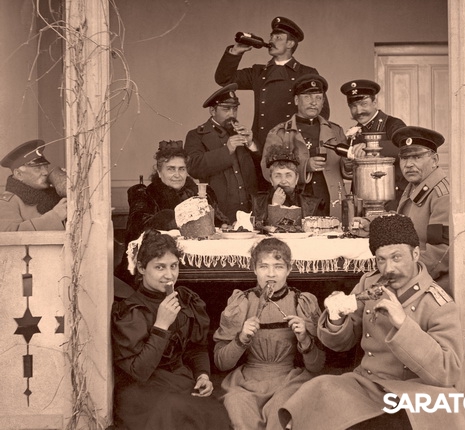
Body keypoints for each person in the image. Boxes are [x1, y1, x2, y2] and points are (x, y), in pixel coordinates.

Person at [279, 214, 465, 429]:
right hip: (367, 384)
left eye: (396, 257)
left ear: (415, 254)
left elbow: (448, 371)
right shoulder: (369, 284)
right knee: (317, 389)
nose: (388, 269)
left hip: (413, 392)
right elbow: (342, 344)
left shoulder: (438, 303)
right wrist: (335, 318)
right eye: (381, 260)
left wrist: (404, 324)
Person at [111, 229, 230, 429]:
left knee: (214, 413)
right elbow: (139, 372)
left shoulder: (185, 301)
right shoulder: (131, 311)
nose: (169, 275)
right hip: (142, 391)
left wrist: (202, 375)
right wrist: (161, 325)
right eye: (160, 267)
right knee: (176, 409)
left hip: (178, 381)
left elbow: (196, 348)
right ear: (141, 268)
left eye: (173, 266)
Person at [213, 237, 325, 430]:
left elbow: (317, 366)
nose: (271, 274)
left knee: (282, 409)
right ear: (254, 269)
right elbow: (221, 363)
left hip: (289, 380)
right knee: (235, 403)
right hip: (246, 382)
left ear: (289, 269)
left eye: (278, 267)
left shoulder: (301, 302)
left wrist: (305, 339)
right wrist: (241, 339)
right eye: (263, 266)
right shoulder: (242, 302)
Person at [115, 140, 227, 285]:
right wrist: (170, 219)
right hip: (158, 265)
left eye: (182, 169)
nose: (177, 175)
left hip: (201, 266)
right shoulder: (144, 195)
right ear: (159, 172)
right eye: (171, 169)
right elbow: (138, 229)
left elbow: (220, 224)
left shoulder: (202, 194)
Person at [214, 16, 330, 151]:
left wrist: (305, 143)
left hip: (294, 145)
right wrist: (235, 52)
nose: (270, 41)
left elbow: (322, 112)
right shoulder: (258, 72)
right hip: (261, 144)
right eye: (271, 37)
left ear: (290, 44)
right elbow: (224, 79)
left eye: (278, 38)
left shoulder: (306, 73)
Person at [261, 74, 346, 217]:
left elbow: (346, 170)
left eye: (318, 98)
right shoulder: (280, 132)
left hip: (331, 202)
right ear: (296, 100)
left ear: (323, 102)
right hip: (296, 203)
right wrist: (306, 167)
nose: (313, 102)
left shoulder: (336, 131)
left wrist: (349, 164)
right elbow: (266, 169)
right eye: (307, 97)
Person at [184, 84, 259, 223]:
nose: (232, 114)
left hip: (248, 213)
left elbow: (261, 172)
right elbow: (193, 167)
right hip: (218, 213)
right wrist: (227, 150)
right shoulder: (196, 135)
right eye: (226, 109)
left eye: (235, 109)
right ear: (212, 111)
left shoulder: (241, 133)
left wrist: (251, 144)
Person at [394, 126, 450, 290]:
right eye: (404, 158)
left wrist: (403, 275)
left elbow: (440, 253)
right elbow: (406, 221)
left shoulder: (442, 195)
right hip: (411, 272)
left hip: (430, 282)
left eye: (417, 157)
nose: (409, 164)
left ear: (434, 160)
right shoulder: (415, 186)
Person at [339, 79, 407, 209]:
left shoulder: (392, 124)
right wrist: (347, 165)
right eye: (353, 106)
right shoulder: (354, 132)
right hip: (362, 200)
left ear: (375, 102)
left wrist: (370, 147)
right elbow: (352, 172)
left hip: (391, 200)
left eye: (363, 104)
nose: (358, 111)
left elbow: (404, 148)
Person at [0, 139, 67, 231]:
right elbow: (10, 236)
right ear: (19, 174)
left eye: (46, 167)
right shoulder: (6, 203)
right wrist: (55, 216)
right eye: (37, 168)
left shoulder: (54, 194)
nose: (45, 172)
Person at [252, 145, 321, 229]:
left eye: (288, 175)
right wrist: (275, 206)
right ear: (271, 180)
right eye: (278, 176)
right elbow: (258, 230)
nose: (283, 181)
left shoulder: (311, 204)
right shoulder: (257, 203)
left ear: (296, 179)